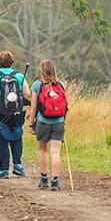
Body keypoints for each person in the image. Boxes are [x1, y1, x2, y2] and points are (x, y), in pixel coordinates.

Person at [0, 50, 31, 178]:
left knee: (1, 140)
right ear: (12, 62)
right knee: (16, 137)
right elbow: (27, 94)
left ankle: (4, 170)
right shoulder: (19, 76)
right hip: (16, 111)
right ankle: (18, 165)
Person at [29, 60, 68, 191]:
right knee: (56, 152)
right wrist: (63, 121)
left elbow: (34, 106)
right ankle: (55, 181)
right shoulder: (61, 84)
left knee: (43, 150)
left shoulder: (37, 85)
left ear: (41, 71)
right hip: (59, 121)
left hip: (43, 121)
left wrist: (30, 124)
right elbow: (66, 105)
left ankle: (44, 179)